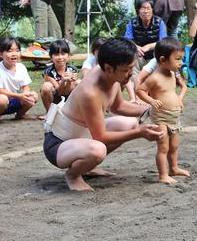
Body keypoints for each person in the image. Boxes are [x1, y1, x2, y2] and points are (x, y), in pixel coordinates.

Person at [42, 37, 165, 191]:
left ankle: (88, 167)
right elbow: (101, 137)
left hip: (82, 136)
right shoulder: (90, 92)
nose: (130, 75)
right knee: (98, 149)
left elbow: (118, 106)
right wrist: (139, 133)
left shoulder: (110, 76)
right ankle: (73, 175)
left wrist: (151, 109)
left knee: (130, 123)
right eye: (126, 70)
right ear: (108, 68)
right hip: (58, 144)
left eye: (131, 69)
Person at [135, 38, 189, 184]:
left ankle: (174, 168)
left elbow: (178, 89)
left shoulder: (172, 73)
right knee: (163, 147)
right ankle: (163, 175)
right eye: (177, 59)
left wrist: (179, 99)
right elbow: (139, 90)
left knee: (174, 146)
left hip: (174, 117)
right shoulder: (155, 78)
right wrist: (151, 101)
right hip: (161, 118)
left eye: (182, 59)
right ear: (163, 60)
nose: (181, 63)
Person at [124, 0, 167, 79]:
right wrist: (136, 47)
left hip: (155, 55)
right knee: (131, 56)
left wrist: (149, 46)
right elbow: (127, 39)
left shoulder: (159, 22)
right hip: (139, 55)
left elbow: (164, 41)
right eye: (143, 8)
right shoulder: (132, 22)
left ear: (152, 10)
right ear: (138, 10)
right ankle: (135, 85)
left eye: (148, 8)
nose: (145, 11)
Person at [83, 36, 137, 102]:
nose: (131, 73)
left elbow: (119, 107)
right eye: (126, 70)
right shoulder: (91, 94)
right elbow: (86, 77)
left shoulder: (113, 76)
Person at [0, 37, 38, 120]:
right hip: (2, 101)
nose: (14, 54)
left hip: (14, 100)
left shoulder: (21, 67)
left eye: (17, 51)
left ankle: (20, 115)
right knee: (2, 99)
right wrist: (19, 96)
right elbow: (0, 91)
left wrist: (25, 94)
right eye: (10, 51)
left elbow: (25, 86)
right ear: (1, 54)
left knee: (33, 95)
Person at [40, 39, 79, 114]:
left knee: (79, 83)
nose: (60, 57)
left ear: (68, 56)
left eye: (63, 54)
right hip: (55, 98)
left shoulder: (72, 69)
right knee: (46, 86)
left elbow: (68, 91)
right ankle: (50, 114)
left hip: (69, 98)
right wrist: (64, 80)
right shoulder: (48, 72)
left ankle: (76, 111)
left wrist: (69, 81)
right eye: (56, 54)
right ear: (51, 57)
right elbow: (59, 92)